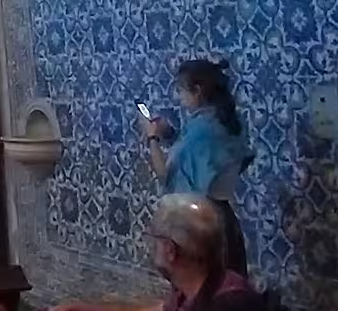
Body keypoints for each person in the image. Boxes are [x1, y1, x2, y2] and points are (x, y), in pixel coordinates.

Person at [53, 195, 264, 311]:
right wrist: (80, 310)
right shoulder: (191, 289)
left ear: (171, 250)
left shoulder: (228, 303)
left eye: (154, 238)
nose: (150, 245)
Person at [144, 59, 254, 275]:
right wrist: (170, 134)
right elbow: (203, 160)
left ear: (197, 91)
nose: (180, 96)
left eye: (181, 90)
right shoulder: (227, 121)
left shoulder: (200, 130)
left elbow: (166, 175)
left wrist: (152, 138)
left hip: (199, 223)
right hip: (225, 221)